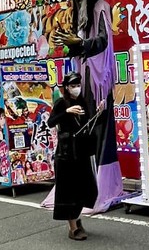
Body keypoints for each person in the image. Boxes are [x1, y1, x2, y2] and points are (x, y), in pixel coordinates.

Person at [52, 0, 123, 213]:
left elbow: (104, 41)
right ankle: (81, 189)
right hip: (81, 80)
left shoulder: (101, 7)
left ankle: (102, 188)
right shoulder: (76, 12)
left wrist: (80, 42)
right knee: (80, 131)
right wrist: (71, 45)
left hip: (98, 81)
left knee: (99, 134)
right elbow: (77, 46)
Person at [48, 72, 97, 241]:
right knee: (68, 192)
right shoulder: (62, 102)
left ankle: (77, 218)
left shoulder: (82, 102)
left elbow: (88, 124)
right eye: (73, 85)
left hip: (81, 152)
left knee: (85, 189)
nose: (76, 88)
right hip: (66, 154)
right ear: (67, 87)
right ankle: (73, 228)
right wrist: (67, 111)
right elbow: (51, 122)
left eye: (78, 85)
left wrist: (99, 112)